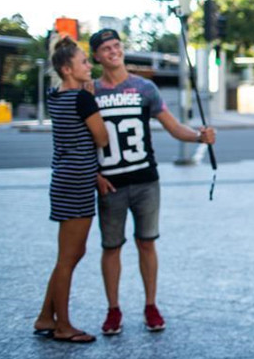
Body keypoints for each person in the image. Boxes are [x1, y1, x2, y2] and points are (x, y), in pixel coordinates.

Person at [89, 29, 216, 335]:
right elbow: (83, 140)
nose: (113, 51)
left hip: (146, 180)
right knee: (111, 247)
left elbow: (172, 127)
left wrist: (199, 135)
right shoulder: (90, 91)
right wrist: (95, 174)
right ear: (96, 56)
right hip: (111, 183)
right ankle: (113, 310)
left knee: (147, 243)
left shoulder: (144, 88)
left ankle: (150, 305)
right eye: (106, 48)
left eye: (117, 46)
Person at [34, 36, 108, 343]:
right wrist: (90, 100)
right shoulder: (82, 99)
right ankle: (62, 326)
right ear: (67, 69)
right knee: (68, 257)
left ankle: (44, 317)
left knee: (73, 252)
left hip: (64, 177)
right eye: (84, 62)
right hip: (77, 180)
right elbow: (101, 138)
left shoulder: (55, 96)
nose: (89, 66)